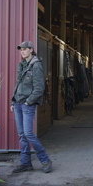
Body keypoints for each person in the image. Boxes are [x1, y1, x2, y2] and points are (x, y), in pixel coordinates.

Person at [11, 40, 53, 173]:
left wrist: (28, 101)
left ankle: (45, 160)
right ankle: (26, 163)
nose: (22, 51)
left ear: (31, 50)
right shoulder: (22, 65)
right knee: (22, 135)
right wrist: (13, 101)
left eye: (25, 49)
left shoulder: (36, 65)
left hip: (27, 104)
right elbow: (18, 84)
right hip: (18, 103)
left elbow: (39, 88)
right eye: (21, 49)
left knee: (28, 134)